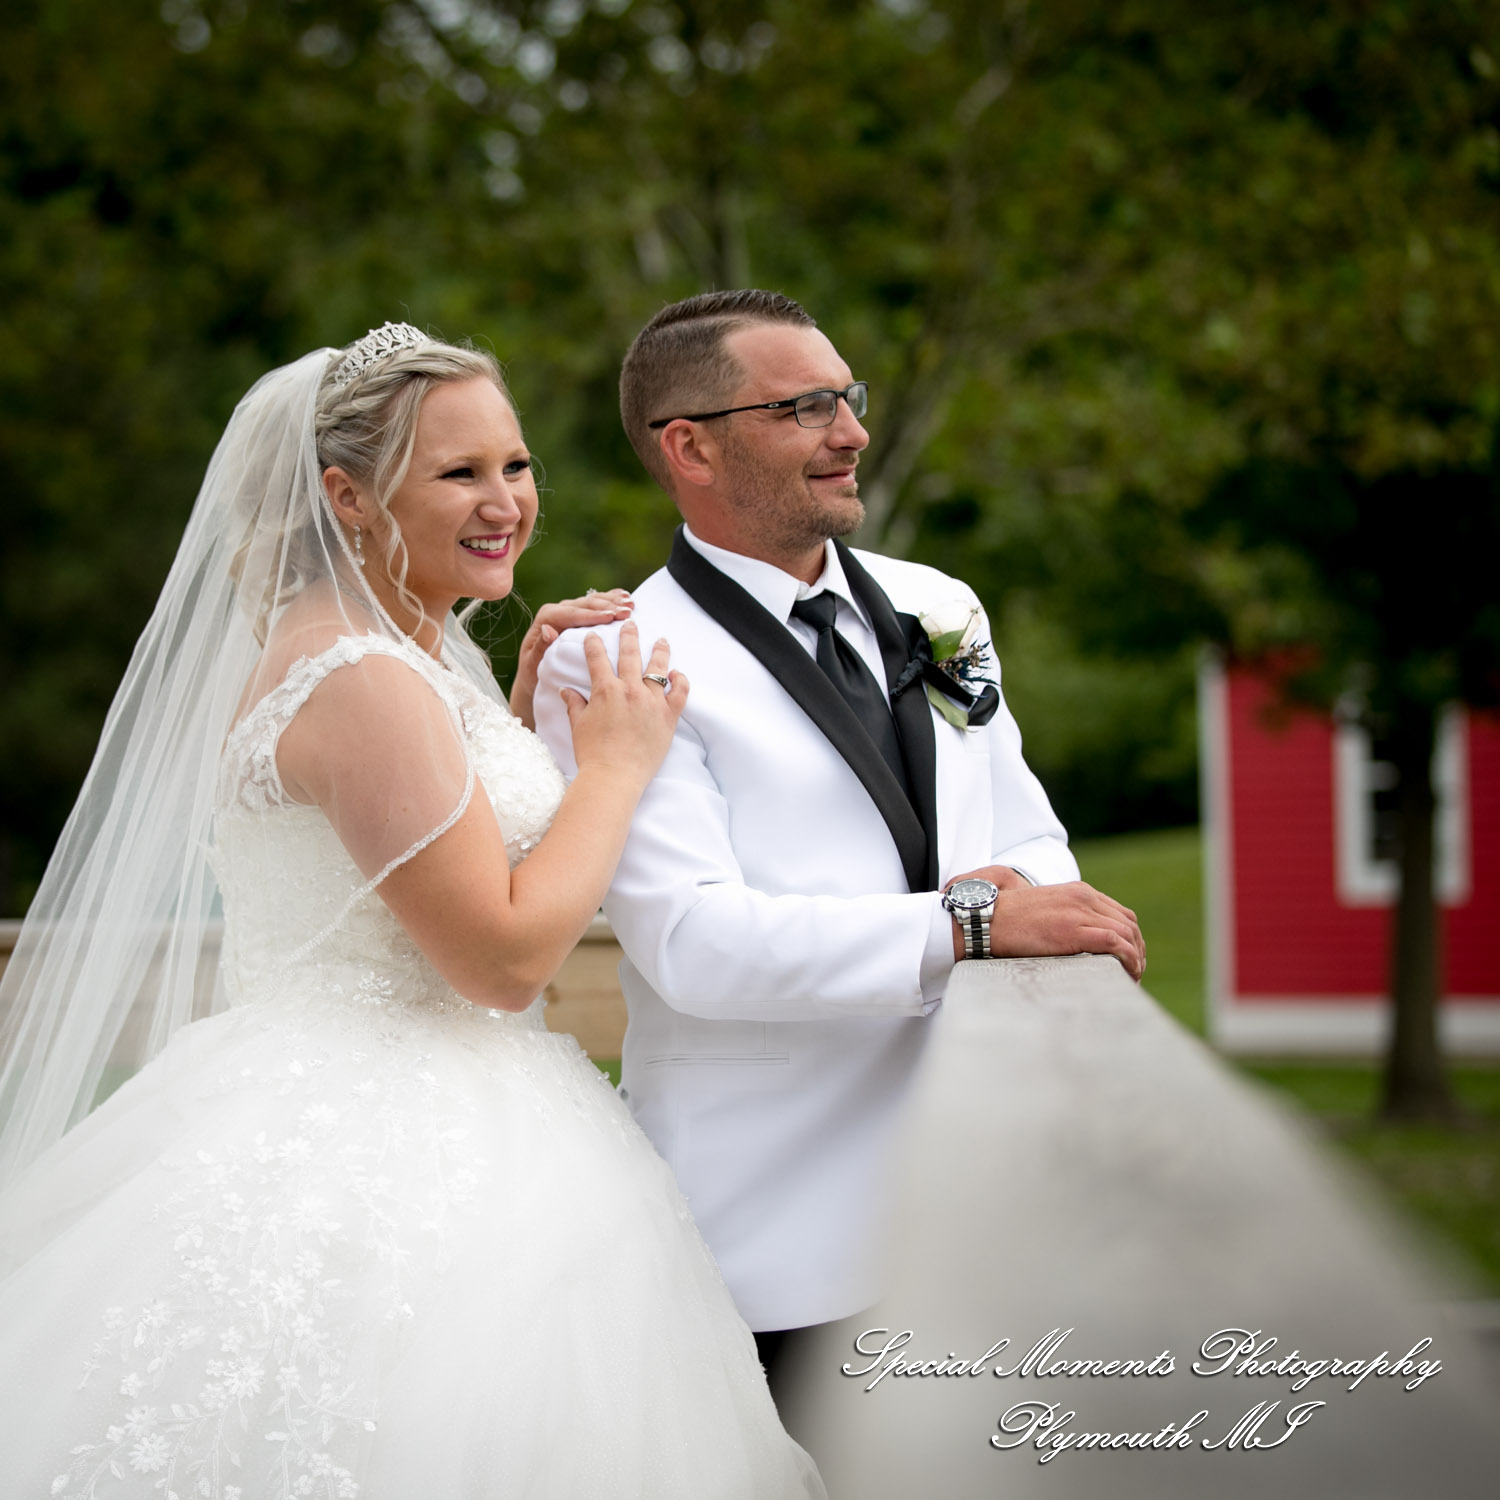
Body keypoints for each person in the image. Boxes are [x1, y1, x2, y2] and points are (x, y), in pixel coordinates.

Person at [0, 324, 824, 1498]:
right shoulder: (363, 680)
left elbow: (448, 834)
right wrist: (614, 768)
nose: (506, 503)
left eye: (516, 464)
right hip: (387, 1140)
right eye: (459, 473)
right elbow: (500, 959)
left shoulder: (417, 646)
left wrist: (523, 702)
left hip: (433, 1100)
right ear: (346, 495)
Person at [534, 290, 1146, 1396]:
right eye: (806, 407)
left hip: (982, 1199)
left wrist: (1051, 912)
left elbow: (1026, 831)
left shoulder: (940, 605)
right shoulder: (613, 662)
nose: (853, 431)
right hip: (774, 1224)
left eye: (848, 398)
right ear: (692, 448)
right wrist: (969, 924)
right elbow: (694, 944)